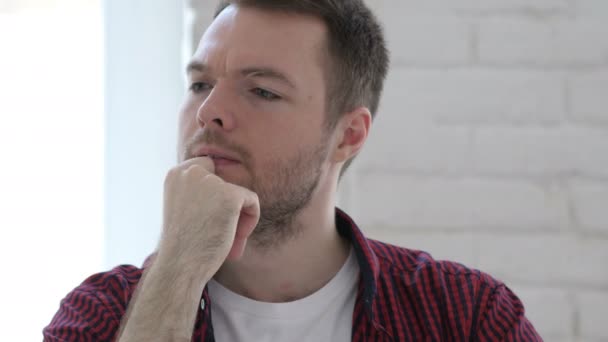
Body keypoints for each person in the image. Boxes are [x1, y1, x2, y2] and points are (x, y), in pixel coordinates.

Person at [44, 0, 542, 341]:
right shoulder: (102, 315)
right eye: (200, 84)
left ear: (348, 134)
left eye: (262, 91)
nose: (209, 111)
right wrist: (178, 267)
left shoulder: (465, 316)